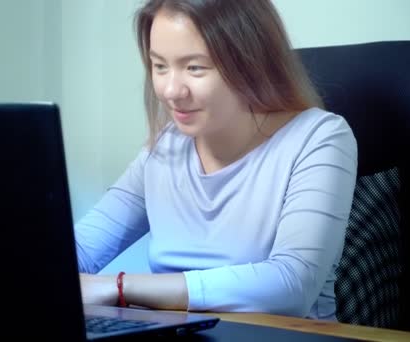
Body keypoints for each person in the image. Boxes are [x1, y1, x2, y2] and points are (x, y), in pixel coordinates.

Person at [74, 0, 357, 321]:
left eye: (194, 67)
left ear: (251, 64)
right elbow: (83, 249)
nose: (171, 90)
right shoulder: (168, 145)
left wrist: (120, 287)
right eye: (160, 66)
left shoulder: (319, 137)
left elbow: (291, 284)